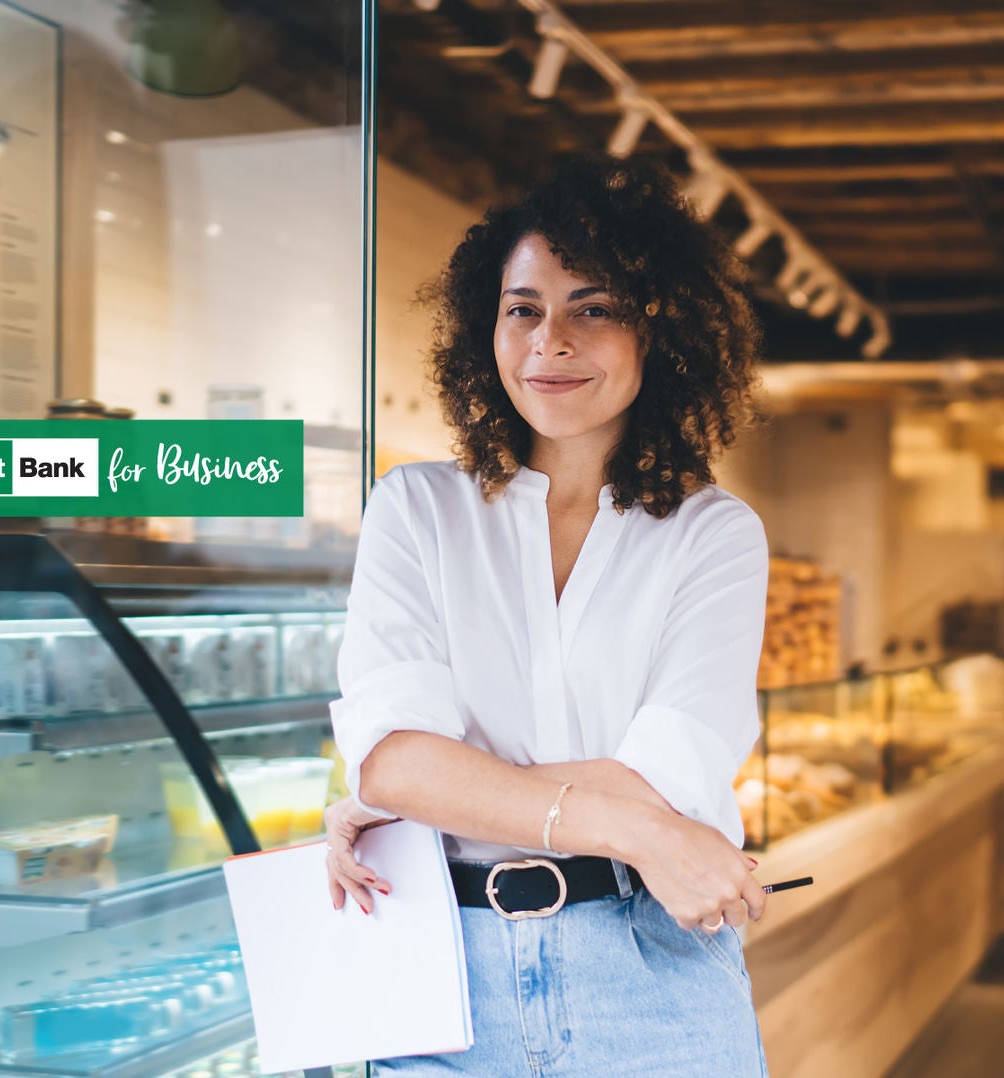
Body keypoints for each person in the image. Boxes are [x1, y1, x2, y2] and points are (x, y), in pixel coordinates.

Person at [318, 155, 770, 1075]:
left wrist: (418, 791)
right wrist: (639, 832)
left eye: (593, 308)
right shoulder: (416, 509)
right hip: (441, 973)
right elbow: (399, 755)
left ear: (660, 333)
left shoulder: (714, 534)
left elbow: (663, 775)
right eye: (523, 308)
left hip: (652, 971)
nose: (548, 341)